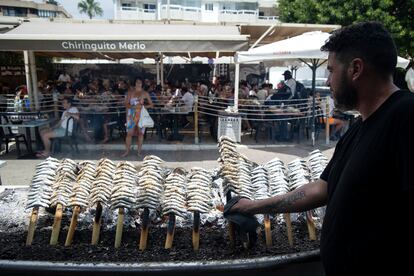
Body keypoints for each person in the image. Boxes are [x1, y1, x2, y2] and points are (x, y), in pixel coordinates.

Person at [226, 22, 414, 275]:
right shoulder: (360, 126)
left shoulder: (406, 116)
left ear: (356, 69)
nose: (328, 81)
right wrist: (253, 206)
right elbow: (322, 187)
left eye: (331, 70)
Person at [122, 77, 154, 157]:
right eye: (137, 82)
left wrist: (142, 107)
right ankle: (127, 151)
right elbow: (126, 104)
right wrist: (133, 107)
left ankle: (139, 152)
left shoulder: (145, 93)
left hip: (141, 115)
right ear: (135, 83)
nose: (138, 83)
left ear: (142, 83)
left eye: (140, 82)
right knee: (129, 134)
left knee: (140, 134)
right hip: (131, 115)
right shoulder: (130, 92)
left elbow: (152, 105)